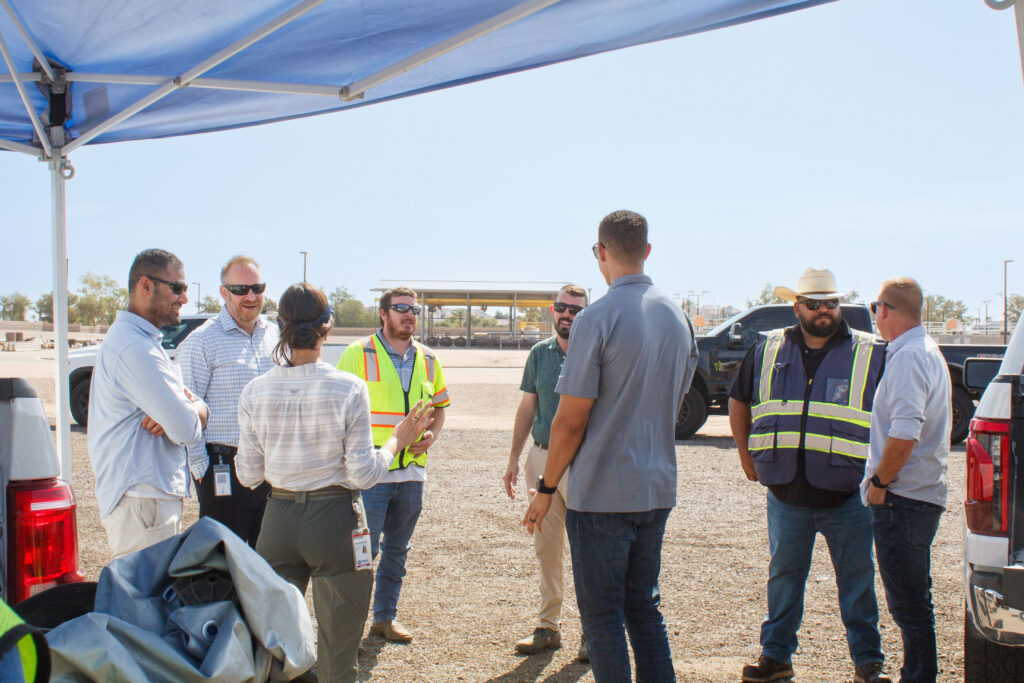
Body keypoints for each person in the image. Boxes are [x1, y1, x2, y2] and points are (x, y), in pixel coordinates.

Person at [523, 210, 698, 682]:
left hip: (601, 493)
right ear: (646, 251)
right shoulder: (679, 318)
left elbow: (569, 421)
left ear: (601, 252)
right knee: (644, 609)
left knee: (602, 619)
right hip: (656, 487)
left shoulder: (595, 318)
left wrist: (545, 488)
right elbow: (674, 403)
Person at [236, 283, 433, 683]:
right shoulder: (348, 387)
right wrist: (398, 439)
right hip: (334, 521)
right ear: (328, 327)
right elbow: (363, 474)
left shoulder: (255, 391)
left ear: (281, 327)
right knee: (339, 655)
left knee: (272, 649)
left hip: (277, 518)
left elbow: (248, 475)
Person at [728, 267, 890, 683]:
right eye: (815, 303)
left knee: (857, 583)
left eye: (832, 303)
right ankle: (776, 657)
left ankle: (868, 663)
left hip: (847, 494)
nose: (824, 310)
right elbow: (739, 400)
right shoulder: (767, 349)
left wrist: (884, 477)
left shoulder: (872, 352)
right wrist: (746, 455)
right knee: (783, 578)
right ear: (797, 306)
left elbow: (893, 418)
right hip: (786, 493)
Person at [337, 286, 450, 644]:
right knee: (361, 553)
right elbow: (338, 410)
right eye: (401, 308)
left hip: (412, 472)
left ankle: (384, 619)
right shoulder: (357, 353)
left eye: (414, 309)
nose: (409, 314)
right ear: (383, 313)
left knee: (397, 551)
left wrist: (431, 435)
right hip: (371, 471)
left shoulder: (429, 358)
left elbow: (441, 408)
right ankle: (348, 629)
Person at [88, 248, 209, 559]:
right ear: (145, 286)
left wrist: (191, 406)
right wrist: (190, 411)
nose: (184, 298)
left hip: (146, 501)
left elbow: (187, 412)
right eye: (177, 287)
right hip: (143, 502)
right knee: (143, 604)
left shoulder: (142, 342)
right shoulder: (134, 347)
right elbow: (185, 430)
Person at [862, 277, 951, 683]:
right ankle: (918, 673)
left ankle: (918, 677)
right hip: (917, 496)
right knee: (914, 600)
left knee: (908, 603)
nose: (874, 317)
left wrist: (879, 482)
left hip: (902, 498)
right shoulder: (924, 351)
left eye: (874, 309)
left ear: (885, 310)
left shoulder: (910, 356)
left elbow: (905, 433)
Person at [502, 284, 589, 659]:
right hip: (540, 459)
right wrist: (513, 458)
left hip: (582, 464)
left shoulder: (594, 353)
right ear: (553, 311)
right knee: (547, 548)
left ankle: (593, 634)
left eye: (576, 310)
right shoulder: (539, 353)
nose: (567, 315)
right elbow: (527, 408)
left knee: (588, 552)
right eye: (562, 308)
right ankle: (548, 627)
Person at [177, 255, 278, 547]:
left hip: (271, 470)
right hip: (224, 469)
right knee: (223, 563)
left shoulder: (274, 335)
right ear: (223, 292)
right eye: (240, 289)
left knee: (267, 561)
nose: (250, 296)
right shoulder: (201, 341)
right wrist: (202, 473)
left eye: (257, 288)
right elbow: (187, 409)